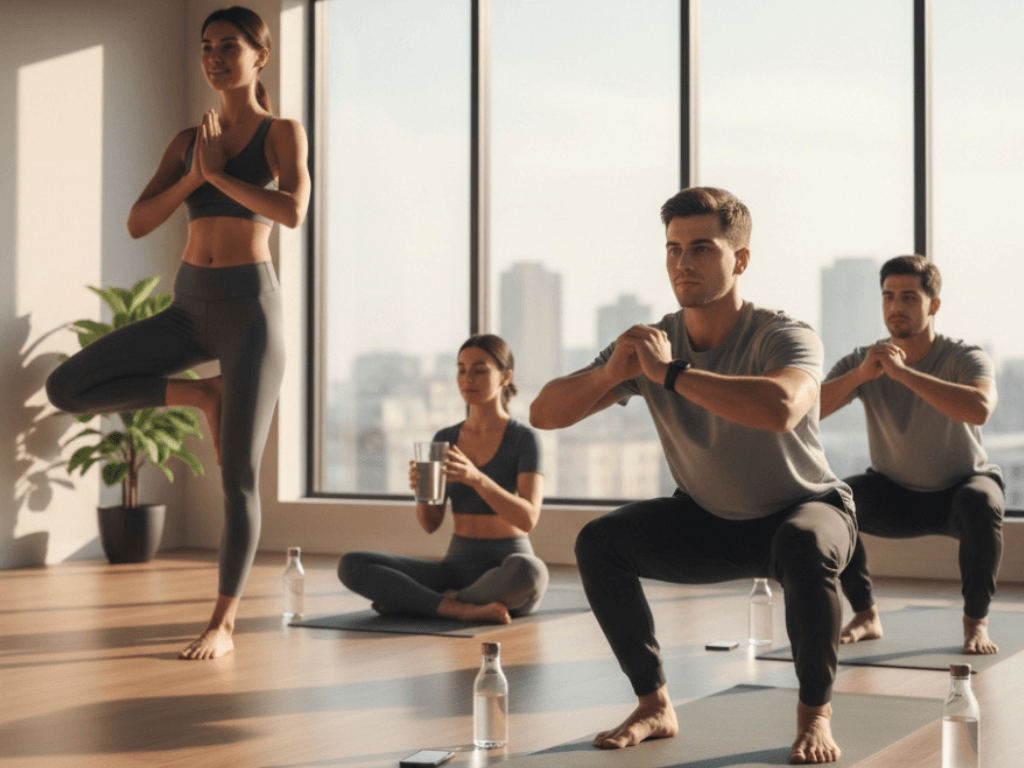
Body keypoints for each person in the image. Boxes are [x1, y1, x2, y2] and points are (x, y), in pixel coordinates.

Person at [530, 187, 856, 764]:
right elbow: (544, 414)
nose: (683, 262)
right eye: (673, 249)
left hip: (806, 508)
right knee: (600, 542)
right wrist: (610, 372)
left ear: (740, 259)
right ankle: (654, 704)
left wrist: (671, 375)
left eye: (702, 248)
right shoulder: (652, 343)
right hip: (709, 518)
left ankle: (815, 716)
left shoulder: (784, 334)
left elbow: (783, 407)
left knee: (802, 543)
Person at [46, 6, 310, 660]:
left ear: (260, 55)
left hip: (251, 314)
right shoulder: (188, 140)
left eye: (229, 47)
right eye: (207, 47)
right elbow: (138, 222)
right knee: (67, 388)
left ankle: (223, 622)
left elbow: (293, 210)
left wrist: (218, 176)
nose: (214, 58)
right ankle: (199, 394)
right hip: (188, 309)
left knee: (237, 479)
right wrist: (194, 173)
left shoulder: (282, 132)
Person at [821, 255, 1003, 655]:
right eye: (888, 296)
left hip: (960, 490)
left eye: (908, 297)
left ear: (933, 304)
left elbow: (980, 408)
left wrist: (903, 374)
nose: (895, 307)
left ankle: (976, 622)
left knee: (982, 499)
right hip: (895, 493)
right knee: (833, 502)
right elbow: (806, 411)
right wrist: (860, 376)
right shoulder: (865, 360)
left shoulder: (963, 357)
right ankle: (865, 614)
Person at [339, 334, 548, 625]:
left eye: (479, 370)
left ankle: (429, 603)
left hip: (508, 566)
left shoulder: (524, 439)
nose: (467, 379)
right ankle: (460, 607)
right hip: (456, 567)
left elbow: (527, 518)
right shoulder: (445, 438)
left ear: (505, 377)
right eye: (461, 370)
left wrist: (476, 479)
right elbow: (430, 524)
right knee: (352, 564)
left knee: (531, 572)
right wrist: (421, 492)